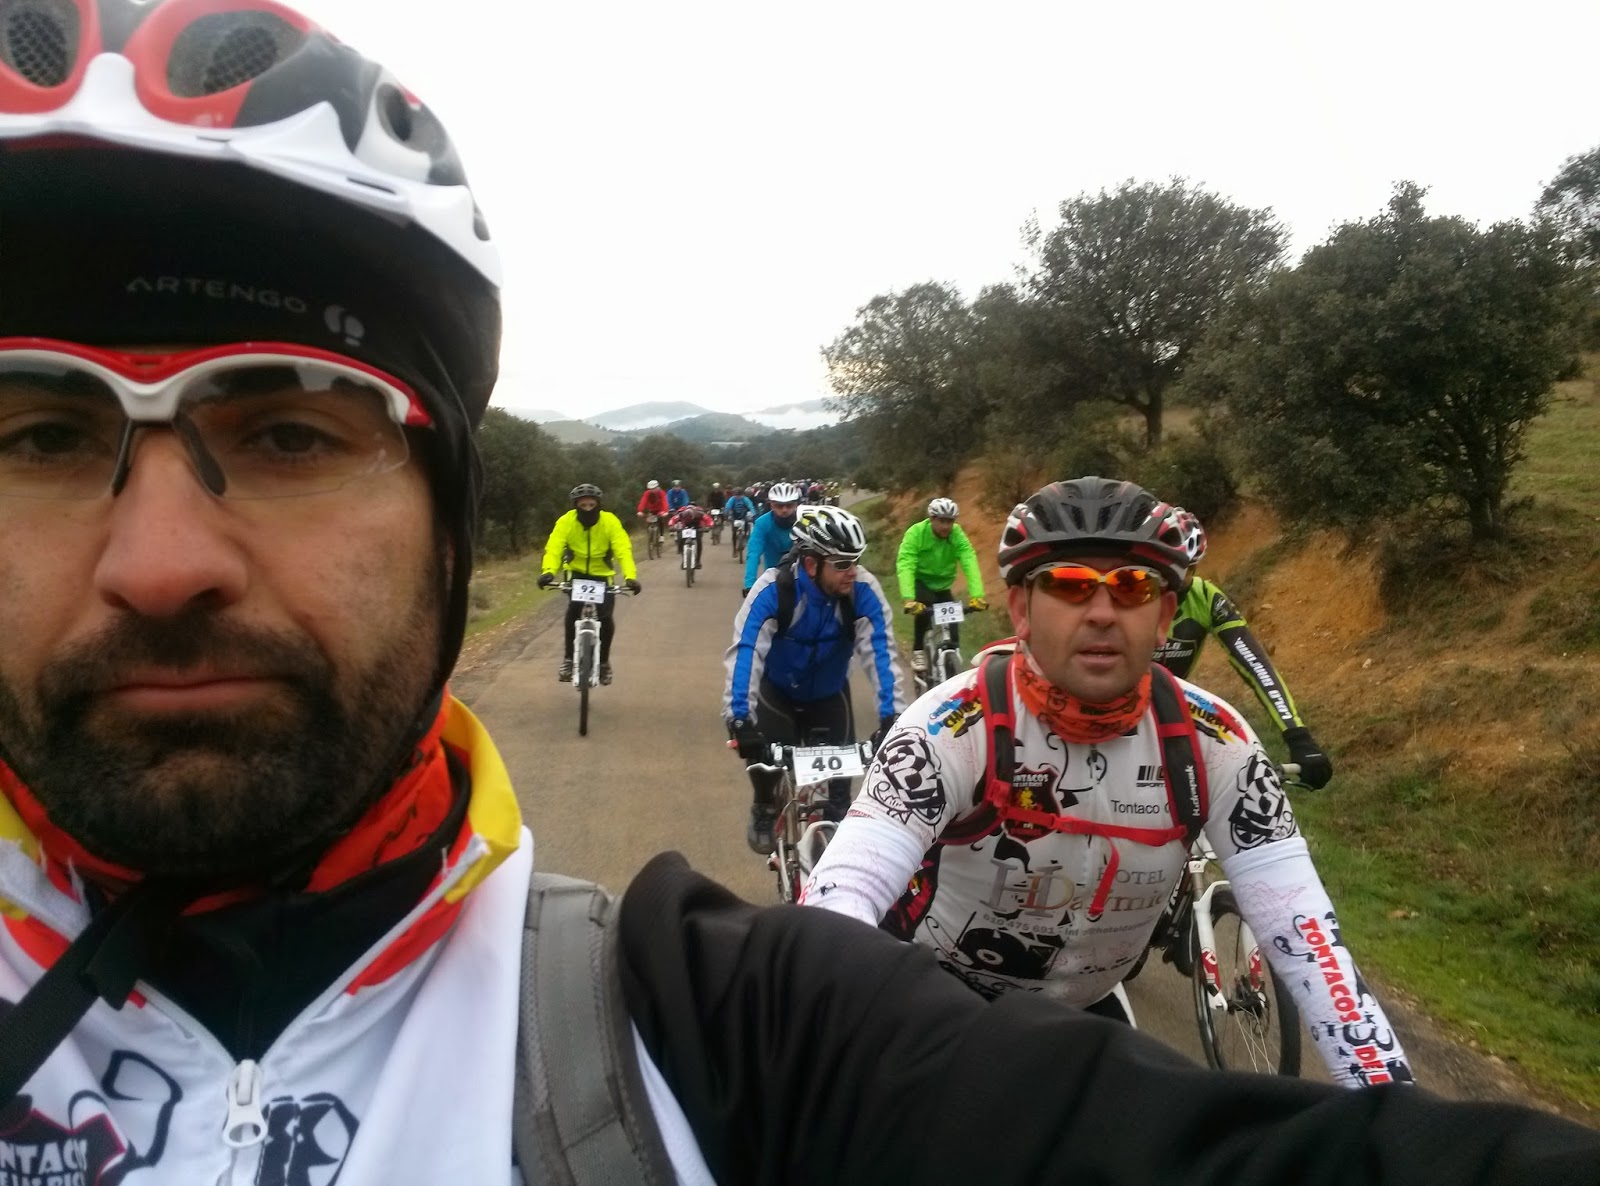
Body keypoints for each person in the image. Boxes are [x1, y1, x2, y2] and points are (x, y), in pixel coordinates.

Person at [2, 6, 1596, 1182]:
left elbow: (1294, 948)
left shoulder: (712, 1027)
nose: (160, 562)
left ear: (442, 512)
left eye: (290, 431)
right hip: (804, 729)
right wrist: (733, 703)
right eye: (37, 434)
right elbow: (790, 704)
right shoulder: (666, 553)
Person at [802, 477, 1414, 1090]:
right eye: (1069, 585)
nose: (1101, 612)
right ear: (1020, 609)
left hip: (1080, 1018)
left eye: (1133, 586)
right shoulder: (951, 724)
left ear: (1165, 616)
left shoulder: (1216, 739)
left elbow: (1306, 935)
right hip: (929, 1005)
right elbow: (846, 889)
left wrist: (1389, 1099)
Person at [724, 507, 908, 850]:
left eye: (856, 561)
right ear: (811, 564)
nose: (853, 572)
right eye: (842, 564)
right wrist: (739, 718)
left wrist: (892, 716)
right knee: (764, 765)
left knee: (840, 801)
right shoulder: (774, 590)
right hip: (777, 692)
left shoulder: (862, 590)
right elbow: (747, 651)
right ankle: (763, 806)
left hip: (828, 692)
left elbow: (881, 651)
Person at [1158, 507, 1335, 788]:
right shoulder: (1128, 594)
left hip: (1168, 710)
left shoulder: (1205, 597)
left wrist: (1298, 736)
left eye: (1189, 569)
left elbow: (1255, 664)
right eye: (1171, 569)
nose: (1179, 579)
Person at [538, 485, 641, 683]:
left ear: (598, 505)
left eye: (591, 505)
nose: (587, 508)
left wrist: (630, 576)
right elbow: (554, 547)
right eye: (583, 505)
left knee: (605, 617)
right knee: (573, 611)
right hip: (575, 572)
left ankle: (603, 663)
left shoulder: (609, 521)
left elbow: (623, 549)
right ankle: (568, 660)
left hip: (602, 575)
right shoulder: (566, 521)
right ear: (575, 506)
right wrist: (548, 571)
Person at [896, 497, 988, 677]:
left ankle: (954, 659)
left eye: (950, 521)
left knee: (953, 619)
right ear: (932, 519)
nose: (946, 526)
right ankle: (918, 651)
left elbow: (968, 560)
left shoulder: (957, 534)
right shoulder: (916, 533)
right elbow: (905, 563)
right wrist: (909, 599)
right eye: (942, 521)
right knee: (924, 607)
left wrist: (977, 595)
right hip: (920, 582)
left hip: (943, 585)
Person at [742, 480, 803, 596]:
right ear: (771, 505)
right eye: (779, 505)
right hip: (774, 576)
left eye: (789, 505)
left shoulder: (804, 522)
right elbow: (753, 554)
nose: (784, 510)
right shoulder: (762, 524)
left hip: (801, 575)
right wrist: (749, 585)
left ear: (796, 504)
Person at [668, 501, 714, 567]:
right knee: (680, 540)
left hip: (697, 527)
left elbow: (709, 520)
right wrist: (671, 526)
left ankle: (698, 561)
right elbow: (673, 519)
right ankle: (684, 559)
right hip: (685, 527)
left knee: (699, 541)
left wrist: (709, 527)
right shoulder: (682, 513)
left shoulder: (700, 513)